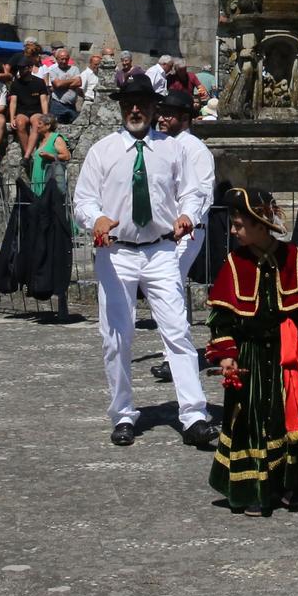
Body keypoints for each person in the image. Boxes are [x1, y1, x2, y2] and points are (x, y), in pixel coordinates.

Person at [72, 72, 216, 447]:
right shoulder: (102, 151)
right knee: (117, 336)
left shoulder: (172, 149)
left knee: (177, 330)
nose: (135, 109)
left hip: (161, 250)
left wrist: (188, 214)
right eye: (128, 104)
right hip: (117, 252)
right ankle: (123, 414)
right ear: (120, 108)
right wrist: (96, 218)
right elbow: (84, 200)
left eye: (142, 103)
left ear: (155, 108)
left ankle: (194, 414)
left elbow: (193, 192)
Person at [203, 187, 298, 514]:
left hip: (285, 356)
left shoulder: (292, 257)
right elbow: (219, 317)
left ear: (261, 225)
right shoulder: (235, 263)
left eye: (239, 225)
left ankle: (289, 484)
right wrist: (226, 354)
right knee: (248, 421)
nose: (233, 231)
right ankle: (253, 490)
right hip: (249, 357)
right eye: (233, 224)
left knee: (289, 418)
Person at [151, 88, 216, 384]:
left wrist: (187, 220)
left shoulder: (194, 149)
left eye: (169, 114)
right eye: (161, 113)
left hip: (186, 232)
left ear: (184, 118)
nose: (162, 118)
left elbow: (203, 191)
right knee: (167, 291)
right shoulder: (163, 146)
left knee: (171, 290)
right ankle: (175, 354)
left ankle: (174, 357)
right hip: (163, 232)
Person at [42, 46, 79, 125]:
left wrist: (63, 83)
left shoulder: (75, 69)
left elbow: (79, 83)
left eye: (66, 59)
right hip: (58, 104)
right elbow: (58, 84)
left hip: (71, 105)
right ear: (57, 59)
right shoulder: (53, 71)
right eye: (61, 59)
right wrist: (72, 81)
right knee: (54, 126)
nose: (64, 61)